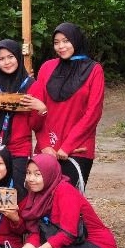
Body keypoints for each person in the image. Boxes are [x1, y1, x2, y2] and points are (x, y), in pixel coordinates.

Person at [12, 153, 117, 248]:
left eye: (37, 174)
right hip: (73, 246)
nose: (31, 178)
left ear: (49, 174)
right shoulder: (36, 194)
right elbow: (35, 232)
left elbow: (68, 234)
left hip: (98, 246)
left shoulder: (65, 191)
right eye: (28, 173)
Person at [28, 23, 105, 191]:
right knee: (41, 201)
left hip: (78, 148)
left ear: (76, 41)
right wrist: (45, 145)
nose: (61, 46)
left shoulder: (94, 70)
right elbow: (38, 110)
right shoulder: (47, 67)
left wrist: (67, 147)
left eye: (66, 41)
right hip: (47, 147)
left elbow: (93, 113)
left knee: (68, 200)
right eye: (56, 42)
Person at [0, 39, 44, 192]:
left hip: (19, 148)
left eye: (10, 57)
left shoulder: (32, 85)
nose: (7, 62)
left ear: (18, 57)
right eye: (1, 59)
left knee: (18, 192)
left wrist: (41, 110)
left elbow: (35, 125)